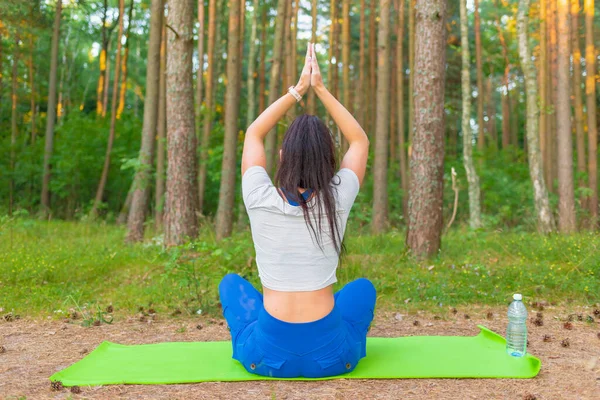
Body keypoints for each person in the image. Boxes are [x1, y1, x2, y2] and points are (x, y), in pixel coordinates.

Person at [218, 43, 376, 378]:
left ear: (282, 156)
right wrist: (321, 88)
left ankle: (258, 340)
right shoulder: (338, 196)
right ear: (329, 161)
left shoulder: (259, 195)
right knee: (362, 288)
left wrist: (298, 91)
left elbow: (254, 133)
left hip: (266, 357)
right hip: (333, 359)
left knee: (231, 284)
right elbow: (359, 140)